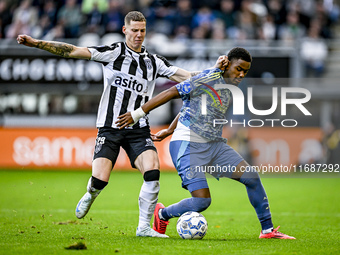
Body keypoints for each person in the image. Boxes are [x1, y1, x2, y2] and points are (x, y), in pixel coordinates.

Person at [17, 11, 198, 238]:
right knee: (100, 180)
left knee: (153, 171)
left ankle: (143, 228)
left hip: (138, 128)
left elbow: (189, 76)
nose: (139, 35)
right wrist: (36, 43)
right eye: (134, 30)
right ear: (125, 30)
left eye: (142, 30)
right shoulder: (113, 53)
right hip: (110, 127)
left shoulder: (153, 62)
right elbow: (73, 50)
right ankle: (91, 193)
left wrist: (220, 72)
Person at [116, 48, 296, 239]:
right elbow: (170, 92)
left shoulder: (231, 88)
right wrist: (137, 114)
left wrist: (169, 129)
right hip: (188, 145)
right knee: (202, 202)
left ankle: (267, 231)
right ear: (227, 65)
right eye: (238, 69)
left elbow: (190, 106)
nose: (241, 74)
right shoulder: (207, 78)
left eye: (245, 71)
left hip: (214, 146)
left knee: (251, 177)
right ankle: (163, 214)